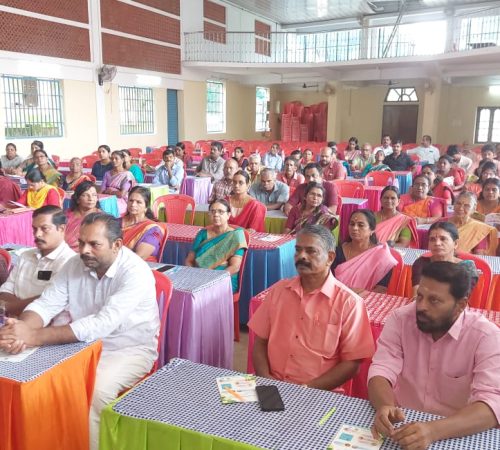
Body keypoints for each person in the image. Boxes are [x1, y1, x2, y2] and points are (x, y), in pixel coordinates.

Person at [0, 212, 159, 450]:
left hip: (126, 350)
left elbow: (101, 324)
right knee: (32, 378)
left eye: (94, 244)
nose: (84, 250)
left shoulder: (135, 273)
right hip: (78, 345)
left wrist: (33, 336)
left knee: (93, 393)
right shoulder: (75, 264)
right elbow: (47, 303)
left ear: (116, 245)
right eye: (81, 242)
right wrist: (22, 328)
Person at [368, 262, 500, 449]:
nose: (420, 306)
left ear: (461, 305)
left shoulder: (486, 336)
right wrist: (385, 406)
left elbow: (492, 403)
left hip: (456, 431)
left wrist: (433, 430)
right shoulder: (401, 319)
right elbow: (381, 368)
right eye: (420, 296)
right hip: (401, 423)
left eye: (434, 300)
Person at [248, 224, 375, 390]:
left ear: (330, 258)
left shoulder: (349, 303)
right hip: (272, 387)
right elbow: (260, 342)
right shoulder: (279, 291)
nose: (301, 256)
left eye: (310, 251)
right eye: (298, 250)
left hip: (320, 393)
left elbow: (352, 364)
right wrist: (266, 380)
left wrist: (308, 389)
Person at [0, 206, 75, 316]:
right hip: (10, 317)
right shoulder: (26, 255)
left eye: (44, 229)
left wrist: (7, 307)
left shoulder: (69, 262)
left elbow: (49, 303)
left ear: (61, 229)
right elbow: (7, 289)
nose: (37, 234)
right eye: (35, 229)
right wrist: (12, 309)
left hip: (40, 326)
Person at [185, 199, 248, 292]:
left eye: (221, 212)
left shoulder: (235, 235)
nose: (216, 214)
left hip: (224, 279)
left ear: (228, 215)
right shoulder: (202, 234)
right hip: (199, 276)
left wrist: (213, 279)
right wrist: (195, 276)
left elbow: (235, 267)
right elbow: (189, 261)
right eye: (212, 211)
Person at [332, 209, 398, 293]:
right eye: (352, 224)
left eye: (360, 225)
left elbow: (381, 289)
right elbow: (329, 281)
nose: (355, 228)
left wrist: (358, 296)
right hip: (338, 297)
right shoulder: (337, 252)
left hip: (367, 301)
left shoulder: (381, 255)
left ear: (372, 230)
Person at [411, 221, 478, 295]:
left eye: (443, 239)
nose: (437, 243)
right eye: (432, 239)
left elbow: (461, 299)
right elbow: (417, 295)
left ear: (455, 243)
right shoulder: (421, 263)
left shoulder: (466, 268)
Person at [122, 186, 165, 261]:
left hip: (140, 268)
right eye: (131, 200)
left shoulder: (153, 229)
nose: (133, 205)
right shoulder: (116, 222)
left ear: (146, 207)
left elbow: (139, 257)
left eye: (138, 202)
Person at [448, 191, 497, 256]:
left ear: (473, 209)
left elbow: (479, 256)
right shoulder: (441, 223)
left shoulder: (479, 229)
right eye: (458, 203)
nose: (461, 208)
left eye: (467, 205)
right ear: (453, 205)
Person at [64, 181, 101, 251]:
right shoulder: (67, 215)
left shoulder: (101, 218)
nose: (91, 199)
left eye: (94, 195)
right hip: (63, 252)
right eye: (85, 195)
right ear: (77, 199)